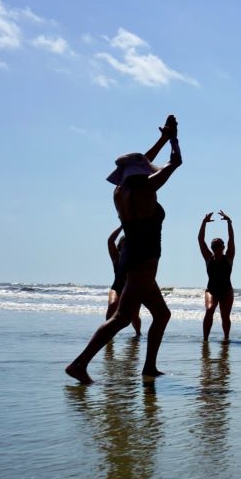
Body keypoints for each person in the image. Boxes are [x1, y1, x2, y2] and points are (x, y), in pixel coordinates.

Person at [66, 115, 182, 384]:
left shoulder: (119, 191)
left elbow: (142, 162)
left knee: (162, 314)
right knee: (122, 317)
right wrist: (174, 138)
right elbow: (176, 162)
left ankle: (150, 367)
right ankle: (79, 364)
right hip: (144, 257)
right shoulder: (149, 187)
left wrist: (163, 139)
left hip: (131, 254)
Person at [198, 210, 236, 341]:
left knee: (225, 316)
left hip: (226, 290)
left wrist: (229, 222)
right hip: (212, 290)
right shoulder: (208, 258)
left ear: (223, 247)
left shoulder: (229, 257)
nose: (216, 248)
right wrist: (204, 223)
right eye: (214, 246)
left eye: (219, 245)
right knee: (209, 310)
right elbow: (200, 239)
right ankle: (205, 340)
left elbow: (231, 239)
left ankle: (226, 338)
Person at [106, 225, 141, 336]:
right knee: (112, 307)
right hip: (117, 287)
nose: (125, 247)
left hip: (131, 289)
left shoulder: (135, 258)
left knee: (134, 315)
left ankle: (138, 334)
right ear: (120, 246)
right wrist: (123, 226)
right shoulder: (116, 257)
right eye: (123, 244)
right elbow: (110, 241)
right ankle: (107, 333)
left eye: (128, 245)